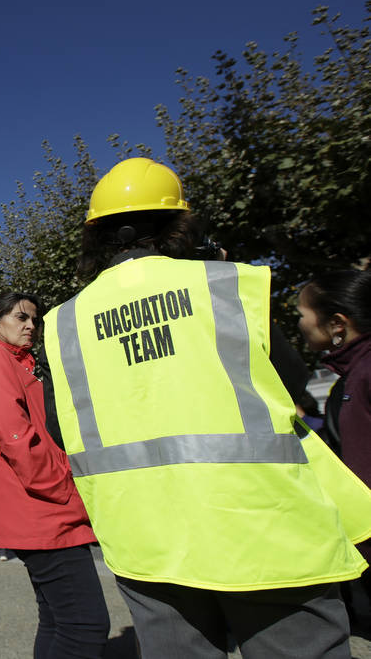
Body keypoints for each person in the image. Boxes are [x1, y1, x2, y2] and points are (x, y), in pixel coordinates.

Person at [42, 157, 366, 658]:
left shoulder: (65, 322)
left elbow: (59, 427)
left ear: (96, 237)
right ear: (179, 227)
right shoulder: (223, 285)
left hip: (144, 538)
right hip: (261, 526)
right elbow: (292, 385)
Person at [0, 290, 110, 658]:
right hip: (42, 509)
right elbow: (15, 437)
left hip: (35, 508)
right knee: (85, 626)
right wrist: (65, 485)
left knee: (58, 619)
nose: (31, 325)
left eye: (35, 319)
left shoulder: (12, 362)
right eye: (20, 318)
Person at [297, 269, 371, 617]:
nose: (299, 324)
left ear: (337, 324)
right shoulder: (349, 377)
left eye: (302, 314)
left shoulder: (365, 372)